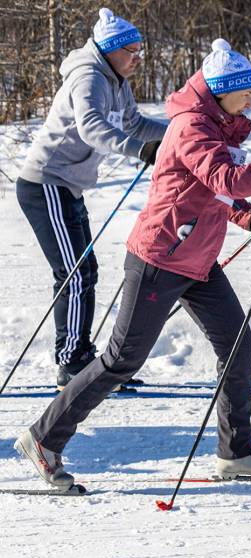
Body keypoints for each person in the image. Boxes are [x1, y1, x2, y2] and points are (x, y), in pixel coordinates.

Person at [14, 38, 251, 492]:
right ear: (221, 91)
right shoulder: (192, 128)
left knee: (238, 347)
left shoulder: (217, 125)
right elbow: (229, 177)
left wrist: (248, 216)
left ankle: (235, 453)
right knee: (120, 360)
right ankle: (43, 438)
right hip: (160, 258)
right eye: (246, 91)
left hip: (198, 259)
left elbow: (212, 189)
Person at [16, 8, 168, 390]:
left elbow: (134, 123)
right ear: (110, 50)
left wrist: (179, 135)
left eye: (139, 51)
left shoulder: (116, 81)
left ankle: (79, 356)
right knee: (74, 273)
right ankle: (71, 363)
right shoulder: (89, 78)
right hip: (45, 183)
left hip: (66, 186)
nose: (137, 58)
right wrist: (139, 151)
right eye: (130, 51)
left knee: (84, 271)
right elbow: (92, 129)